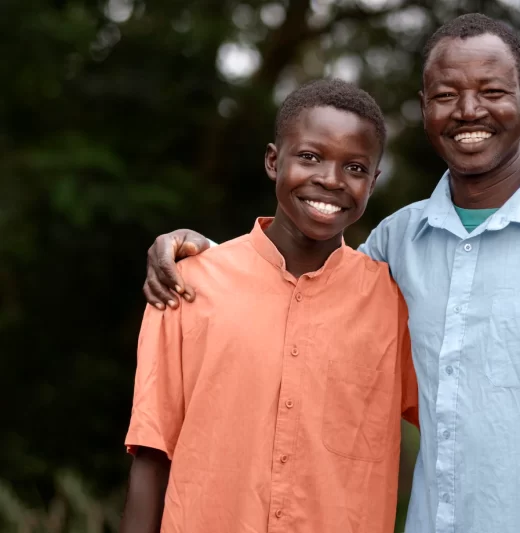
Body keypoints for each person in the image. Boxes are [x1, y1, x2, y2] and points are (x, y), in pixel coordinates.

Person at [143, 14, 520, 533]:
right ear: (425, 108)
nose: (469, 111)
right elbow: (300, 294)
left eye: (493, 92)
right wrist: (208, 261)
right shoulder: (396, 246)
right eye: (447, 95)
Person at [120, 79, 418, 533]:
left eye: (355, 167)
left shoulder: (394, 306)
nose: (330, 180)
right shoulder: (187, 285)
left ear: (373, 183)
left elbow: (458, 423)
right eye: (310, 157)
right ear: (273, 161)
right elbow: (151, 450)